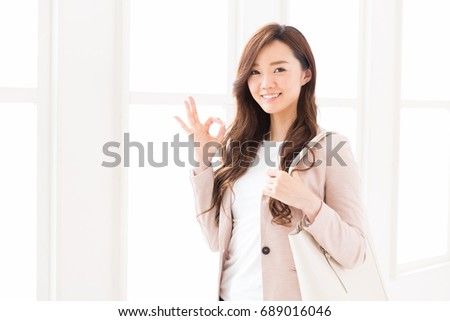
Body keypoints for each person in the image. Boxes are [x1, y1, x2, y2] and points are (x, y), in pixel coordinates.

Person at [175, 23, 366, 301]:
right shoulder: (239, 148)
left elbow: (355, 252)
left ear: (305, 74)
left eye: (279, 69)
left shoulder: (331, 147)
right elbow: (215, 239)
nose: (266, 83)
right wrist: (203, 161)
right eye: (255, 72)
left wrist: (309, 203)